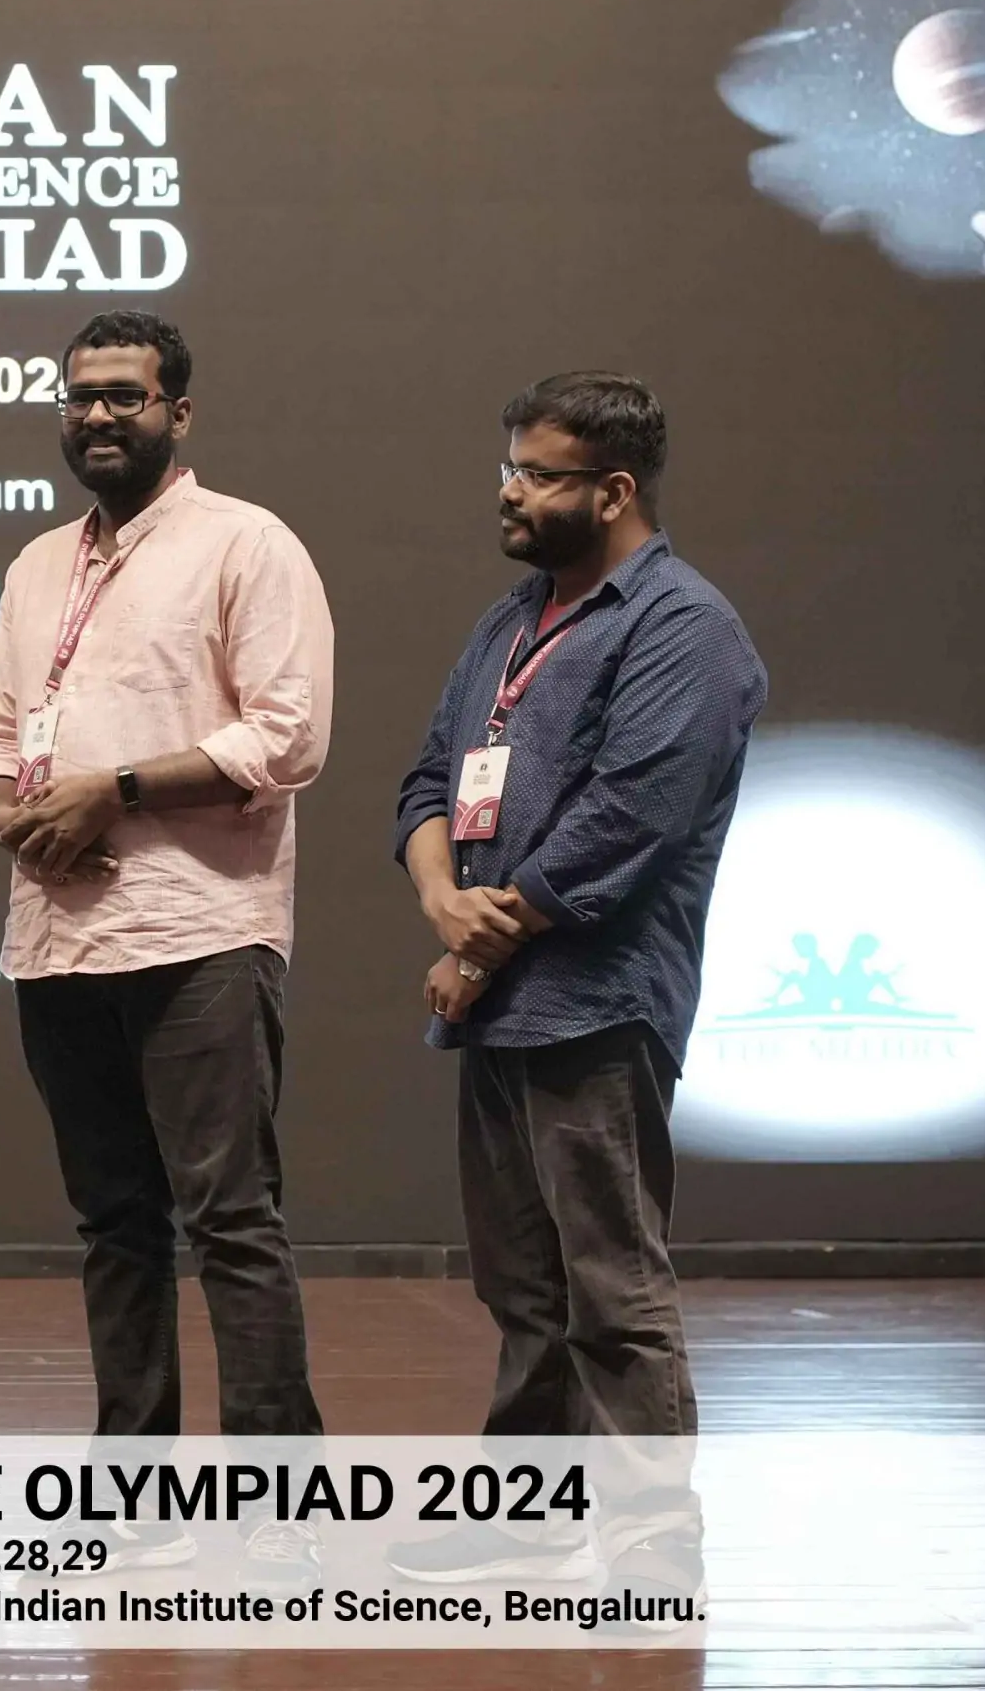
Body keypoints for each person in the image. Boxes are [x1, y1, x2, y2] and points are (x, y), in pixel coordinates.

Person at [0, 311, 335, 1574]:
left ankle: (281, 1503)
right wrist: (12, 814)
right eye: (80, 397)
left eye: (124, 396)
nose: (98, 416)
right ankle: (136, 1494)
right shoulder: (34, 566)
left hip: (199, 930)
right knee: (113, 1224)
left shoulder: (246, 542)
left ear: (178, 412)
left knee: (228, 1218)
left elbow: (285, 736)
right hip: (59, 937)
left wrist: (110, 791)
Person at [387, 372, 764, 1600]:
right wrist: (441, 900)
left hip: (599, 1002)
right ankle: (528, 1515)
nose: (509, 490)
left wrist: (474, 945)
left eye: (537, 473)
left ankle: (652, 1543)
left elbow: (626, 818)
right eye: (507, 466)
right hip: (497, 1002)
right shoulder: (511, 621)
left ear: (612, 490)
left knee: (611, 1279)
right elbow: (427, 782)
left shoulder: (685, 626)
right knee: (522, 1284)